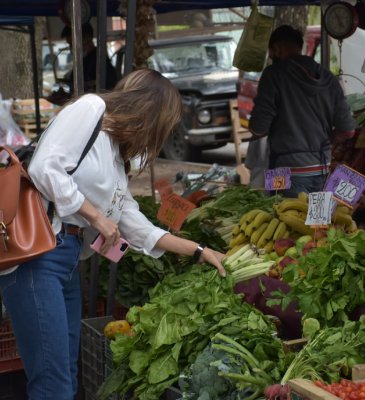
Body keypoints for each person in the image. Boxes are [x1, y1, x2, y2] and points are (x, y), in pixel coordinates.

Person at [0, 69, 226, 400]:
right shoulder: (91, 109)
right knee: (53, 383)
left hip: (67, 259)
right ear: (150, 111)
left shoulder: (116, 158)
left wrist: (198, 250)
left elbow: (136, 224)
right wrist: (96, 216)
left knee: (66, 375)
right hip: (38, 256)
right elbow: (44, 168)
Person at [249, 25, 356, 197]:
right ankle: (319, 224)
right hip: (322, 169)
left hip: (281, 170)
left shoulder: (273, 74)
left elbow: (258, 128)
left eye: (271, 52)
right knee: (320, 221)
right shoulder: (328, 76)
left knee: (280, 218)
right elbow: (348, 130)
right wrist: (328, 142)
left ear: (276, 48)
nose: (271, 56)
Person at [47, 23, 118, 105]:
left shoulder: (99, 61)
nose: (71, 48)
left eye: (72, 44)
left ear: (86, 40)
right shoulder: (82, 60)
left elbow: (101, 87)